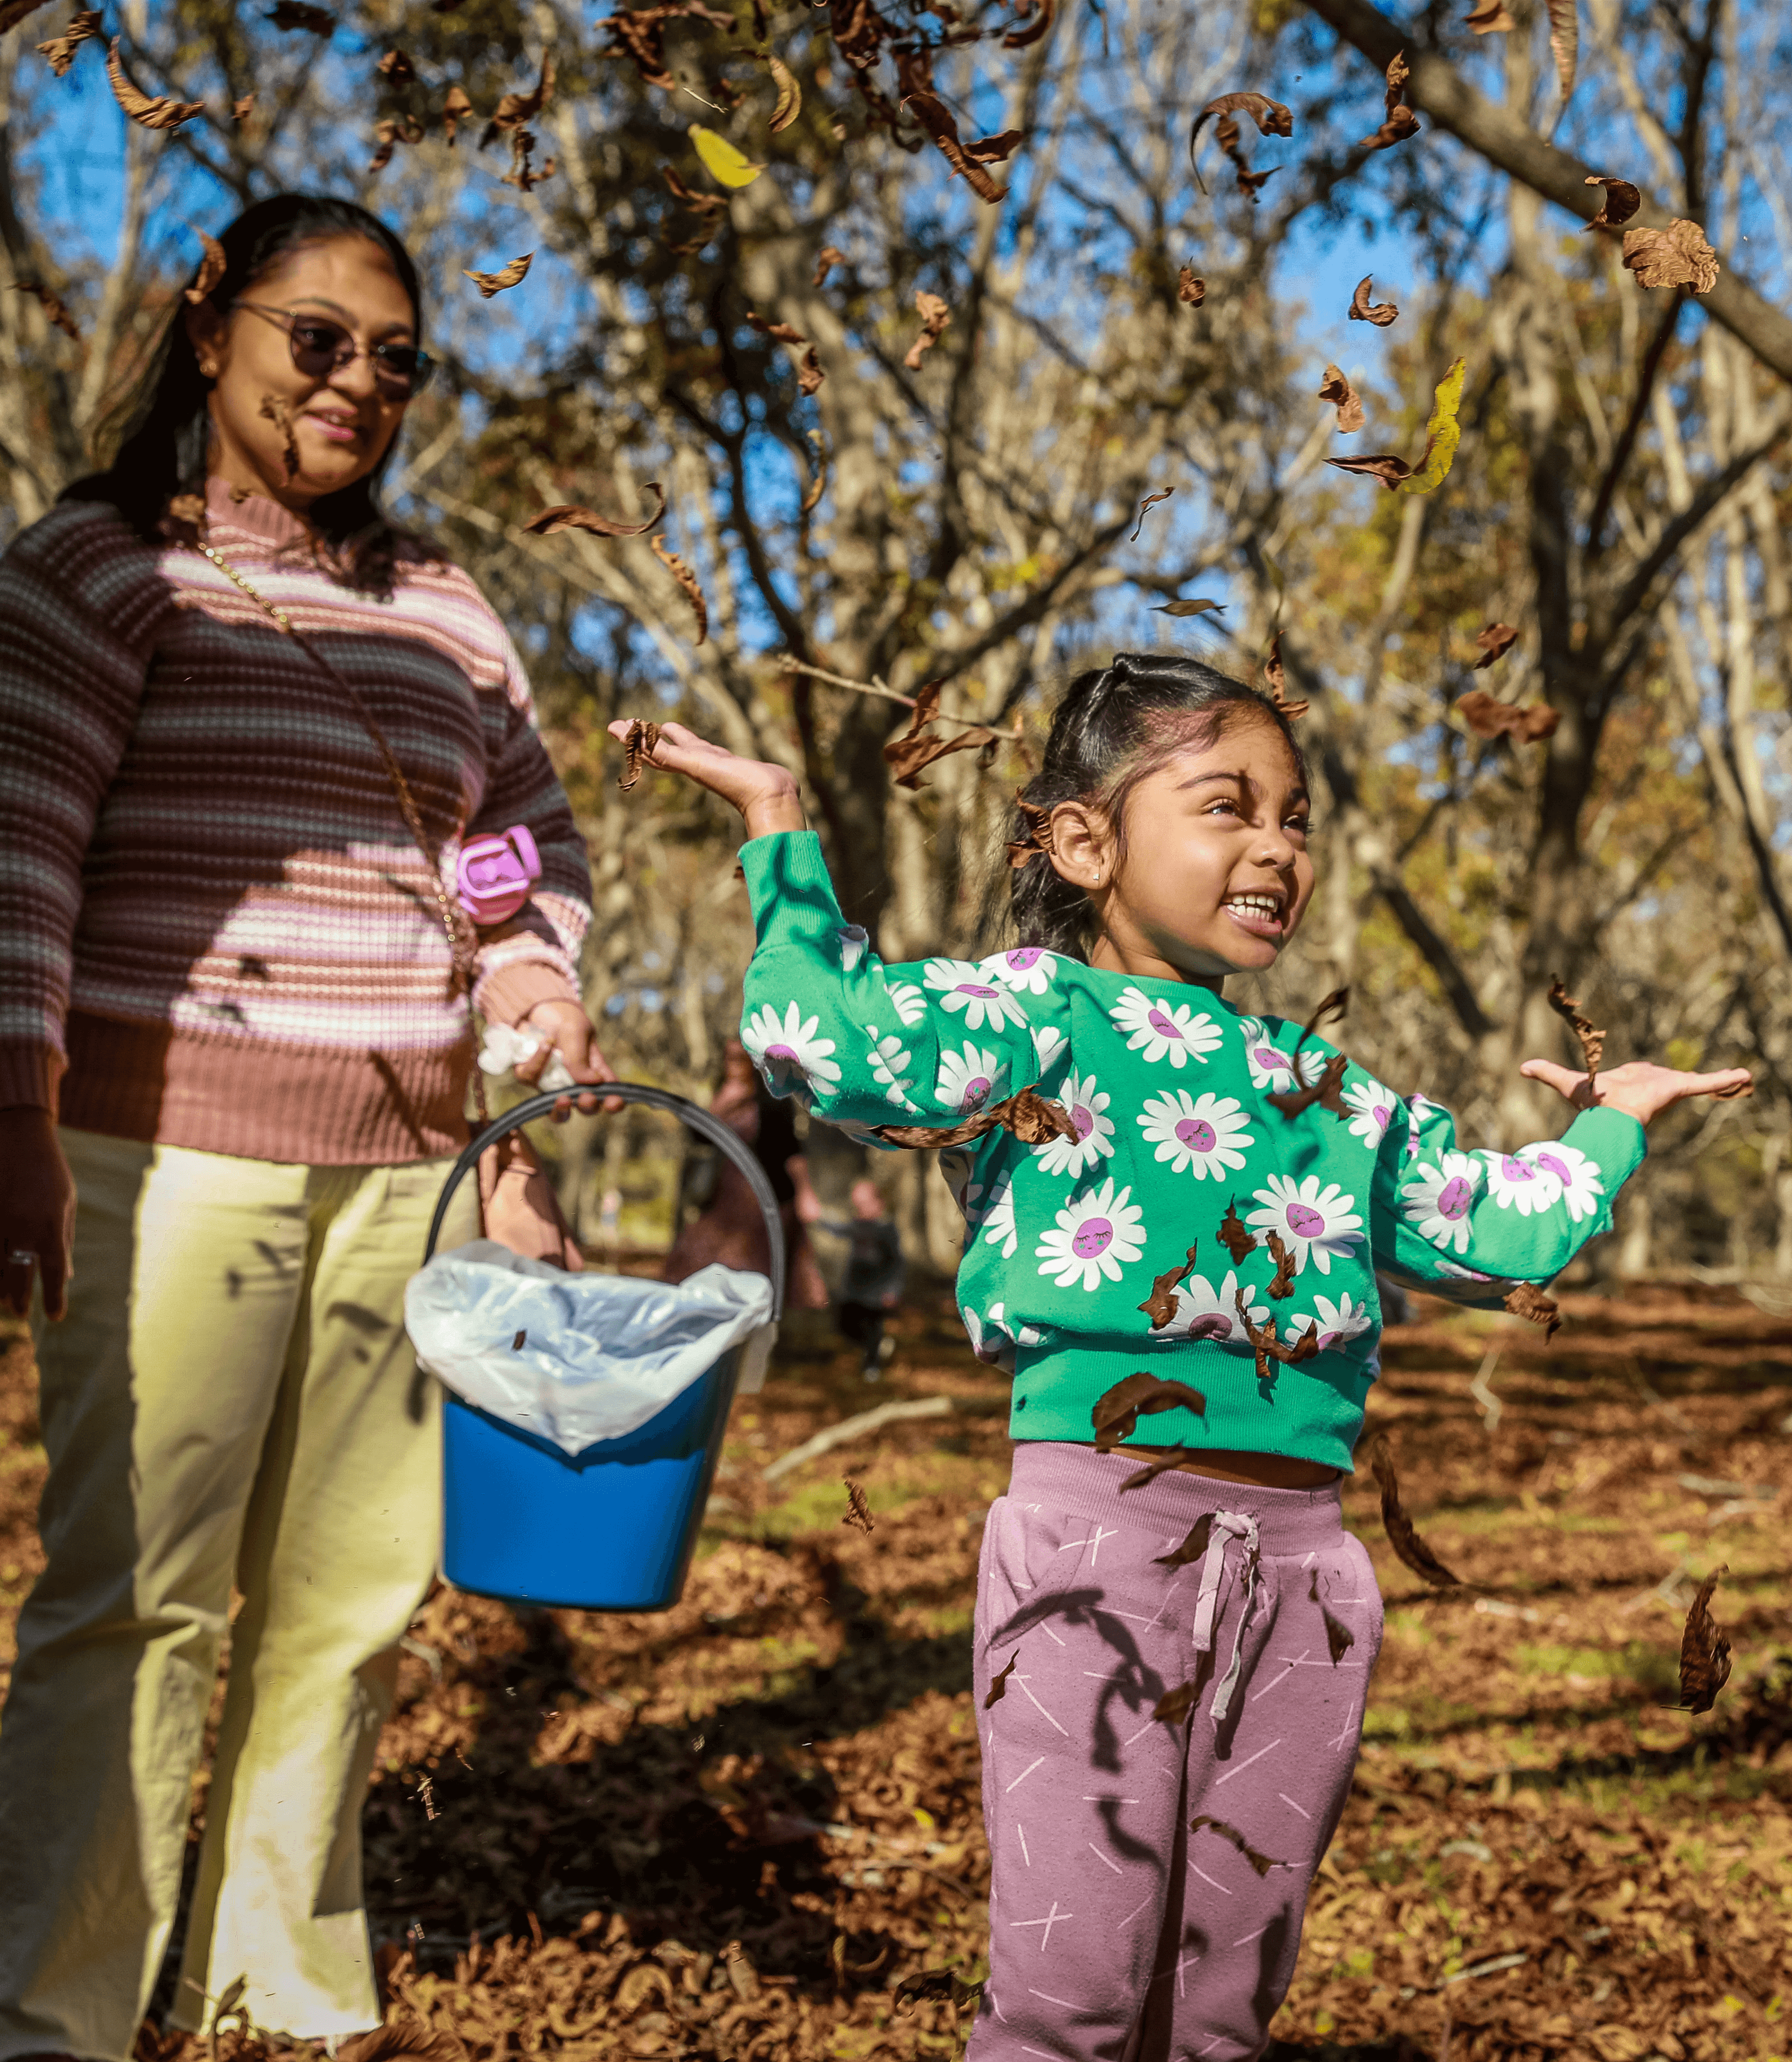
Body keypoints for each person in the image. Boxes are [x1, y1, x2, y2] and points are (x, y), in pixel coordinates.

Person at [610, 654, 1750, 2061]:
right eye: (1228, 806)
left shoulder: (1326, 1088)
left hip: (1312, 1577)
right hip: (1093, 1548)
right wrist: (780, 824)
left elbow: (1503, 1237)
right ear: (1085, 841)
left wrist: (1614, 1121)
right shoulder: (1040, 1016)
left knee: (1222, 2000)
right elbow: (820, 1037)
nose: (1277, 845)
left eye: (1297, 816)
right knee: (1069, 1990)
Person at [0, 195, 615, 2062]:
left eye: (398, 358)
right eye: (317, 339)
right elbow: (19, 851)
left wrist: (531, 986)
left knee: (346, 1604)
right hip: (165, 1152)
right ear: (212, 331)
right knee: (141, 1592)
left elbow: (516, 846)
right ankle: (57, 2001)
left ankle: (280, 1987)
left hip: (411, 1172)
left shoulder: (444, 604)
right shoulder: (100, 568)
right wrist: (15, 1106)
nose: (360, 382)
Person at [792, 1169, 905, 1378]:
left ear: (878, 1203)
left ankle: (871, 1368)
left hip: (877, 1290)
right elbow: (839, 1229)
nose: (859, 1208)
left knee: (873, 1330)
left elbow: (897, 1263)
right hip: (854, 1288)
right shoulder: (858, 1225)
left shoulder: (887, 1229)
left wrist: (892, 1291)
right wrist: (817, 1218)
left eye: (864, 1203)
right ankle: (876, 1348)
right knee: (845, 1325)